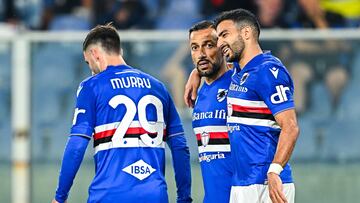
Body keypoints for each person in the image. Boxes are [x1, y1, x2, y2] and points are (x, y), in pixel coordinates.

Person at [52, 23, 192, 203]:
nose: (91, 69)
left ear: (95, 54)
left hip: (109, 195)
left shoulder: (91, 86)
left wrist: (60, 197)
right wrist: (184, 198)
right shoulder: (159, 88)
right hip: (154, 195)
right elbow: (180, 147)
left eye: (88, 63)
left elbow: (77, 143)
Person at [185, 9, 300, 203]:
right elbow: (222, 68)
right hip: (242, 185)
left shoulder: (268, 70)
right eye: (194, 48)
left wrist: (274, 171)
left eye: (224, 36)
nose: (220, 43)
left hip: (264, 182)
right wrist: (196, 72)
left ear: (246, 33)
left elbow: (291, 126)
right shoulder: (240, 72)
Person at [188, 20, 232, 203]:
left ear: (222, 47)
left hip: (244, 194)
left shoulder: (239, 81)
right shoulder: (200, 91)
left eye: (208, 45)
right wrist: (196, 73)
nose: (201, 54)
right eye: (195, 48)